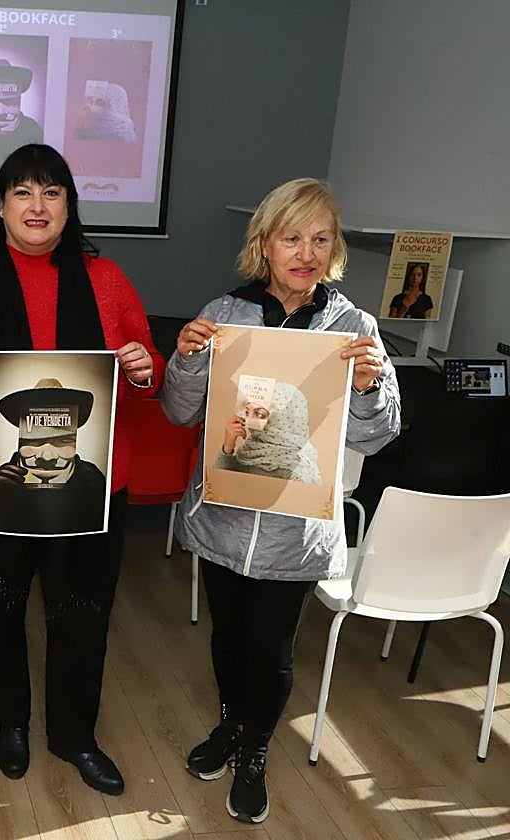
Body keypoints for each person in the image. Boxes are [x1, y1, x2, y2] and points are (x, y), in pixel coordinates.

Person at [0, 143, 164, 795]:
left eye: (52, 192)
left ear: (69, 206)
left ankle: (76, 736)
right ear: (0, 206)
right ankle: (12, 721)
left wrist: (142, 368)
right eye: (23, 191)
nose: (38, 205)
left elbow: (148, 375)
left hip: (91, 481)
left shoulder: (108, 281)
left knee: (83, 609)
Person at [162, 177, 400, 824]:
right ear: (263, 244)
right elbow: (181, 413)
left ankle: (255, 750)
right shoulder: (225, 313)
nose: (307, 251)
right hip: (223, 519)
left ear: (335, 247)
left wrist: (370, 385)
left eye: (321, 238)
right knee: (228, 639)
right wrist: (184, 362)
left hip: (296, 531)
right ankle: (230, 726)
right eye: (291, 236)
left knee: (269, 651)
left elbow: (376, 437)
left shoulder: (354, 327)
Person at [0, 377, 108, 535]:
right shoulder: (3, 481)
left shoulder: (92, 480)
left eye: (62, 441)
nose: (47, 456)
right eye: (33, 441)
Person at [216, 382, 323, 484]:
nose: (248, 421)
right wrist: (228, 447)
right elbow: (217, 487)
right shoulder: (248, 449)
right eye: (247, 412)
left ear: (284, 418)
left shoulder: (296, 469)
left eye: (260, 414)